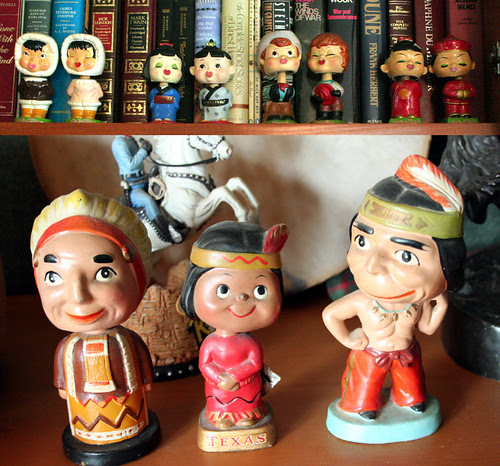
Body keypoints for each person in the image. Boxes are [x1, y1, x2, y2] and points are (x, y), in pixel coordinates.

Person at [322, 155, 465, 421]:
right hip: (370, 354)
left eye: (406, 256)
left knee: (414, 392)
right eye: (362, 242)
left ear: (448, 266)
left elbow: (427, 328)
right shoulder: (362, 301)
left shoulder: (418, 301)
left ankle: (411, 400)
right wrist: (348, 339)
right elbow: (330, 314)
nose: (372, 265)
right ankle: (362, 405)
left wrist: (441, 304)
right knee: (361, 393)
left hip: (407, 354)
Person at [31, 189, 160, 463]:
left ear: (136, 277)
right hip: (84, 412)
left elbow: (142, 364)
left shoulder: (127, 342)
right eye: (54, 277)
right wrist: (63, 387)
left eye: (103, 273)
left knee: (129, 418)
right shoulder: (68, 348)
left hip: (129, 407)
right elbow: (62, 378)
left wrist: (146, 380)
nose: (79, 296)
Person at [179, 221, 288, 433]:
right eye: (223, 290)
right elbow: (205, 364)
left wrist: (234, 376)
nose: (241, 298)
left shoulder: (249, 343)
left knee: (247, 402)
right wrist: (219, 378)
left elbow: (254, 363)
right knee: (220, 403)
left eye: (260, 290)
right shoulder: (211, 343)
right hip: (218, 387)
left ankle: (249, 416)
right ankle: (221, 418)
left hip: (245, 384)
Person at [257, 31, 302, 122]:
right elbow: (267, 93)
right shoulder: (272, 88)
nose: (283, 58)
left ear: (299, 57)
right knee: (273, 110)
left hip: (286, 103)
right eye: (274, 54)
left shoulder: (289, 87)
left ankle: (288, 116)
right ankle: (273, 116)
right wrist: (272, 92)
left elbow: (292, 94)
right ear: (262, 60)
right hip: (274, 102)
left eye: (289, 53)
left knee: (287, 110)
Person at [429, 36, 476, 119]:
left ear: (472, 64)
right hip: (452, 102)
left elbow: (473, 92)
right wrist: (458, 93)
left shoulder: (466, 84)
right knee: (453, 109)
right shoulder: (449, 85)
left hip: (465, 102)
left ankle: (465, 114)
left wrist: (468, 93)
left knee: (464, 109)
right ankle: (453, 114)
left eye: (461, 63)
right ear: (431, 68)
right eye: (444, 65)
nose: (453, 67)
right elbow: (446, 91)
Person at [380, 38, 428, 122]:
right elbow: (392, 94)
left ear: (424, 69)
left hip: (412, 101)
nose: (410, 64)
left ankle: (413, 114)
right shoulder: (395, 84)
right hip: (398, 102)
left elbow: (419, 94)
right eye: (401, 61)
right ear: (385, 68)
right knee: (397, 107)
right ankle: (398, 115)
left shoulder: (415, 84)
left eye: (418, 62)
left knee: (413, 106)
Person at [14, 33, 58, 121]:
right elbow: (20, 89)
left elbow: (50, 92)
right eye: (26, 54)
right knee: (26, 113)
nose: (33, 60)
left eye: (42, 56)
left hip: (41, 102)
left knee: (39, 114)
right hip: (26, 101)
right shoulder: (25, 80)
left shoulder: (44, 82)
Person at [61, 34, 106, 121]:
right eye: (72, 55)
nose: (78, 60)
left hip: (88, 104)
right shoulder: (76, 82)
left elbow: (69, 92)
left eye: (87, 57)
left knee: (87, 117)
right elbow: (100, 94)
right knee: (77, 116)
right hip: (79, 103)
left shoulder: (93, 83)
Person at [307, 32, 350, 122]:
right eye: (315, 55)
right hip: (324, 101)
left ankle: (336, 115)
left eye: (330, 54)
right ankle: (323, 115)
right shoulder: (319, 85)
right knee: (323, 108)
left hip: (334, 99)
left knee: (336, 106)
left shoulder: (333, 83)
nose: (321, 58)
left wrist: (337, 93)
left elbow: (341, 90)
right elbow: (314, 92)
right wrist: (316, 97)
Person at [190, 43, 235, 122]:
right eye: (202, 66)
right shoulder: (203, 92)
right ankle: (206, 118)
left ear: (231, 69)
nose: (209, 71)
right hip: (207, 111)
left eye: (217, 66)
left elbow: (229, 101)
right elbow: (201, 105)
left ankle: (222, 117)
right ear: (192, 70)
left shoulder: (224, 91)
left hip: (221, 110)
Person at [142, 43, 183, 122]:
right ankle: (157, 118)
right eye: (159, 65)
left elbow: (177, 98)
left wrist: (174, 102)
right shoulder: (154, 91)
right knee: (157, 114)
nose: (167, 69)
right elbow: (150, 97)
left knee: (170, 112)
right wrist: (153, 102)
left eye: (174, 67)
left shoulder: (173, 92)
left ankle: (169, 118)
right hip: (157, 106)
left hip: (169, 106)